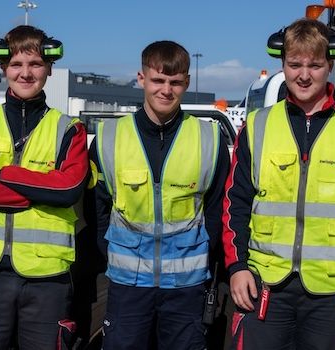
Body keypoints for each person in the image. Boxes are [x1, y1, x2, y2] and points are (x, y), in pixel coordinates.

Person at [223, 18, 335, 349]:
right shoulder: (257, 126)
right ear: (282, 64)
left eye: (315, 65)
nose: (304, 75)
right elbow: (236, 202)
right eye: (294, 64)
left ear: (330, 65)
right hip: (264, 286)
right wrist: (237, 267)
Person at [0, 25, 89, 350]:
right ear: (3, 68)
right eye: (16, 65)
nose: (26, 74)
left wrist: (3, 174)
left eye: (35, 64)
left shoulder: (70, 129)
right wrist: (41, 188)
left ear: (50, 68)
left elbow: (67, 190)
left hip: (47, 275)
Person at [90, 40, 230, 350]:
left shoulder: (210, 139)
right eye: (158, 80)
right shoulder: (107, 138)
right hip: (128, 287)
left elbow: (218, 208)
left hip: (187, 288)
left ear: (186, 83)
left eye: (175, 82)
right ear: (141, 79)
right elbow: (97, 210)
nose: (166, 89)